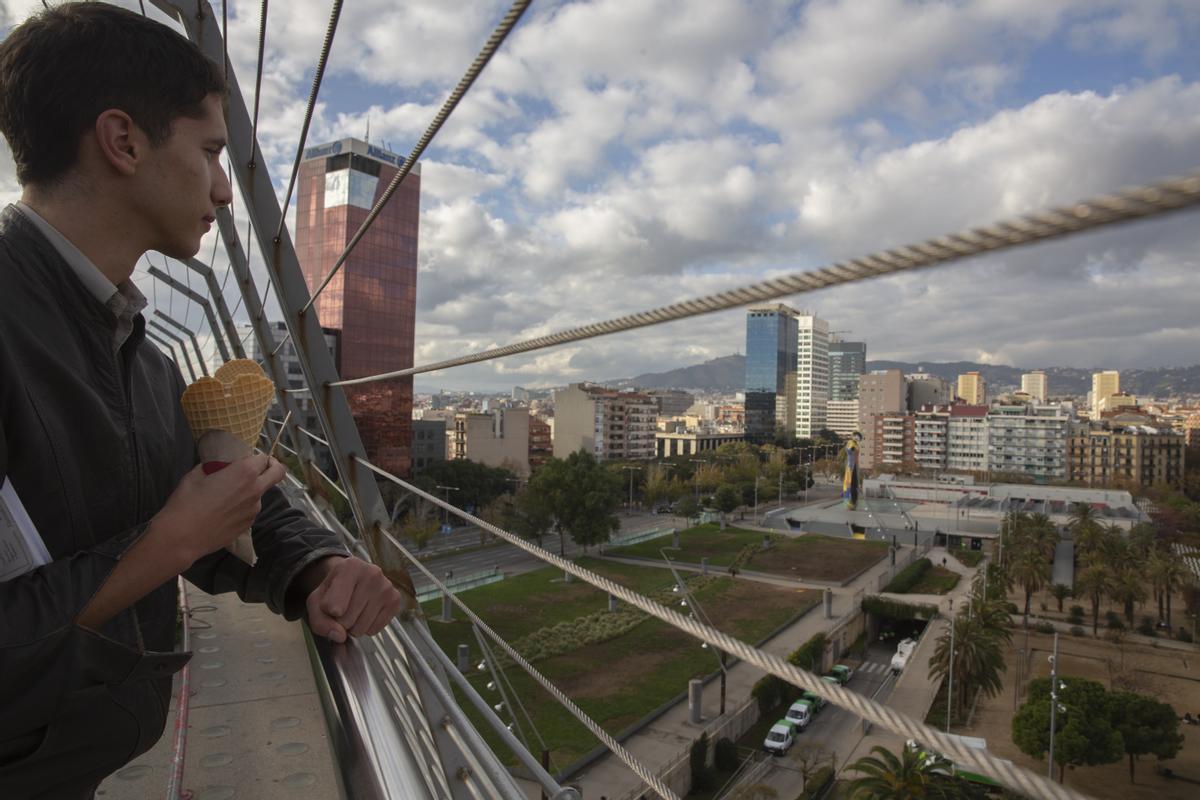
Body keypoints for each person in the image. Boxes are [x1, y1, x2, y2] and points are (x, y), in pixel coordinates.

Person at [0, 5, 405, 797]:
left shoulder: (133, 352)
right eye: (212, 151)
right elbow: (177, 527)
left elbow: (211, 493)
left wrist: (317, 565)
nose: (226, 189)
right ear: (123, 142)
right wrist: (163, 547)